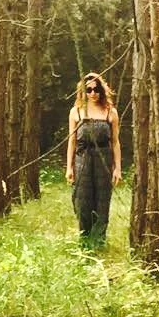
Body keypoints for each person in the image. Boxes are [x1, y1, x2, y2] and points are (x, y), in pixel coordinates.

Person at [66, 72, 122, 244]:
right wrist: (69, 167)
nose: (93, 93)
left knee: (102, 201)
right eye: (88, 90)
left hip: (103, 160)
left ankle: (99, 241)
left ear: (102, 90)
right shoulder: (76, 112)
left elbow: (115, 142)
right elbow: (72, 141)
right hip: (82, 159)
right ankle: (85, 240)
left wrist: (117, 168)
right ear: (83, 91)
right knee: (82, 201)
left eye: (96, 89)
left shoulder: (110, 112)